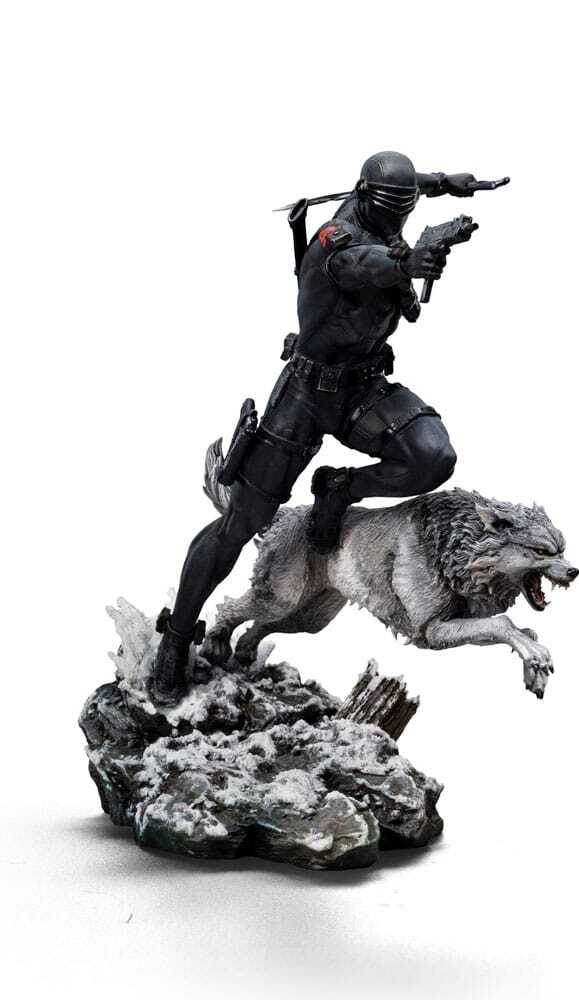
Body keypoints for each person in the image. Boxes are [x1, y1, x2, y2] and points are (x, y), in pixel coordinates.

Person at [151, 151, 509, 703]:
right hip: (305, 394)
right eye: (389, 208)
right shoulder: (335, 243)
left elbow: (410, 185)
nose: (398, 217)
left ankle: (340, 489)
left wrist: (448, 183)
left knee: (433, 457)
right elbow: (363, 265)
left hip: (361, 387)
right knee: (241, 522)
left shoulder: (388, 204)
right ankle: (177, 638)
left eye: (405, 207)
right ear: (364, 197)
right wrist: (409, 263)